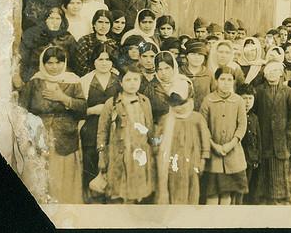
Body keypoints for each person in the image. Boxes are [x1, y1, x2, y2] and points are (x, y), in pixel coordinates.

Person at [19, 46, 86, 203]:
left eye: (58, 62)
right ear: (43, 63)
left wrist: (63, 98)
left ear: (64, 63)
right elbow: (21, 109)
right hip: (38, 136)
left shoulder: (73, 80)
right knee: (41, 174)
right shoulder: (34, 82)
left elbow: (83, 109)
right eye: (49, 63)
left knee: (63, 178)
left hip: (65, 137)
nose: (54, 67)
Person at [97, 64, 155, 203]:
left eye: (136, 80)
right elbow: (102, 131)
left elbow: (149, 128)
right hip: (119, 153)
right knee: (119, 192)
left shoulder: (144, 101)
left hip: (139, 153)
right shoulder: (112, 103)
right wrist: (101, 154)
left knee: (136, 193)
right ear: (121, 82)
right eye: (128, 80)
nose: (132, 84)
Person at [155, 67, 210, 205]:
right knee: (173, 191)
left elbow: (205, 140)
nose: (179, 107)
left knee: (191, 193)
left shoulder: (196, 118)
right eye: (176, 104)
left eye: (182, 103)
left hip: (192, 163)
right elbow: (157, 141)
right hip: (171, 165)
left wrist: (203, 159)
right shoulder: (166, 119)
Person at [79, 43, 121, 203]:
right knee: (90, 161)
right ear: (94, 61)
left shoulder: (119, 80)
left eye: (108, 59)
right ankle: (91, 200)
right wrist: (91, 110)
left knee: (110, 162)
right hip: (91, 128)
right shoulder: (85, 80)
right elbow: (77, 108)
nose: (104, 63)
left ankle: (110, 198)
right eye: (100, 59)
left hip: (113, 129)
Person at [253, 62, 291, 204]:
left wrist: (290, 134)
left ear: (280, 73)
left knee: (280, 166)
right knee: (265, 167)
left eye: (275, 71)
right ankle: (264, 196)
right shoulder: (259, 90)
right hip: (264, 135)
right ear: (264, 74)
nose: (272, 74)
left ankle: (282, 195)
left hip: (282, 136)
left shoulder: (287, 91)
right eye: (269, 71)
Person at [200, 66, 248, 205]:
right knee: (212, 195)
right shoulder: (208, 100)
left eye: (229, 79)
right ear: (216, 80)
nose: (226, 82)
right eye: (222, 79)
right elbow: (203, 126)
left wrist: (230, 144)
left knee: (227, 195)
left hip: (233, 153)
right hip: (213, 155)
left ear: (233, 81)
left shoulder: (238, 101)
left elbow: (242, 126)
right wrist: (214, 145)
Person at [19, 6, 78, 83]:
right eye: (51, 18)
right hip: (38, 75)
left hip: (61, 76)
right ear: (45, 20)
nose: (54, 21)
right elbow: (24, 59)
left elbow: (74, 62)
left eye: (58, 19)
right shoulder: (34, 36)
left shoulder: (68, 38)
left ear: (62, 21)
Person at [144, 50, 194, 124]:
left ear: (174, 67)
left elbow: (191, 109)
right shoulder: (151, 88)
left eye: (167, 68)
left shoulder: (185, 84)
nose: (163, 73)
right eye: (159, 69)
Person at [74, 9, 117, 76]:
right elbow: (81, 67)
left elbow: (115, 65)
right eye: (100, 22)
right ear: (94, 24)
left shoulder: (113, 43)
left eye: (107, 23)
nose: (103, 26)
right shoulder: (85, 41)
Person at [239, 86, 260, 203]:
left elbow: (258, 140)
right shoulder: (236, 115)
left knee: (249, 183)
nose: (247, 102)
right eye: (244, 98)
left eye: (250, 99)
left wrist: (257, 157)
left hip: (251, 158)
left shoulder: (254, 118)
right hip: (239, 158)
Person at [179, 39, 214, 111]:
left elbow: (214, 95)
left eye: (200, 54)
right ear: (187, 56)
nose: (196, 57)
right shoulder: (179, 72)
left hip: (204, 113)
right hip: (183, 112)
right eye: (193, 54)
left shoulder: (209, 74)